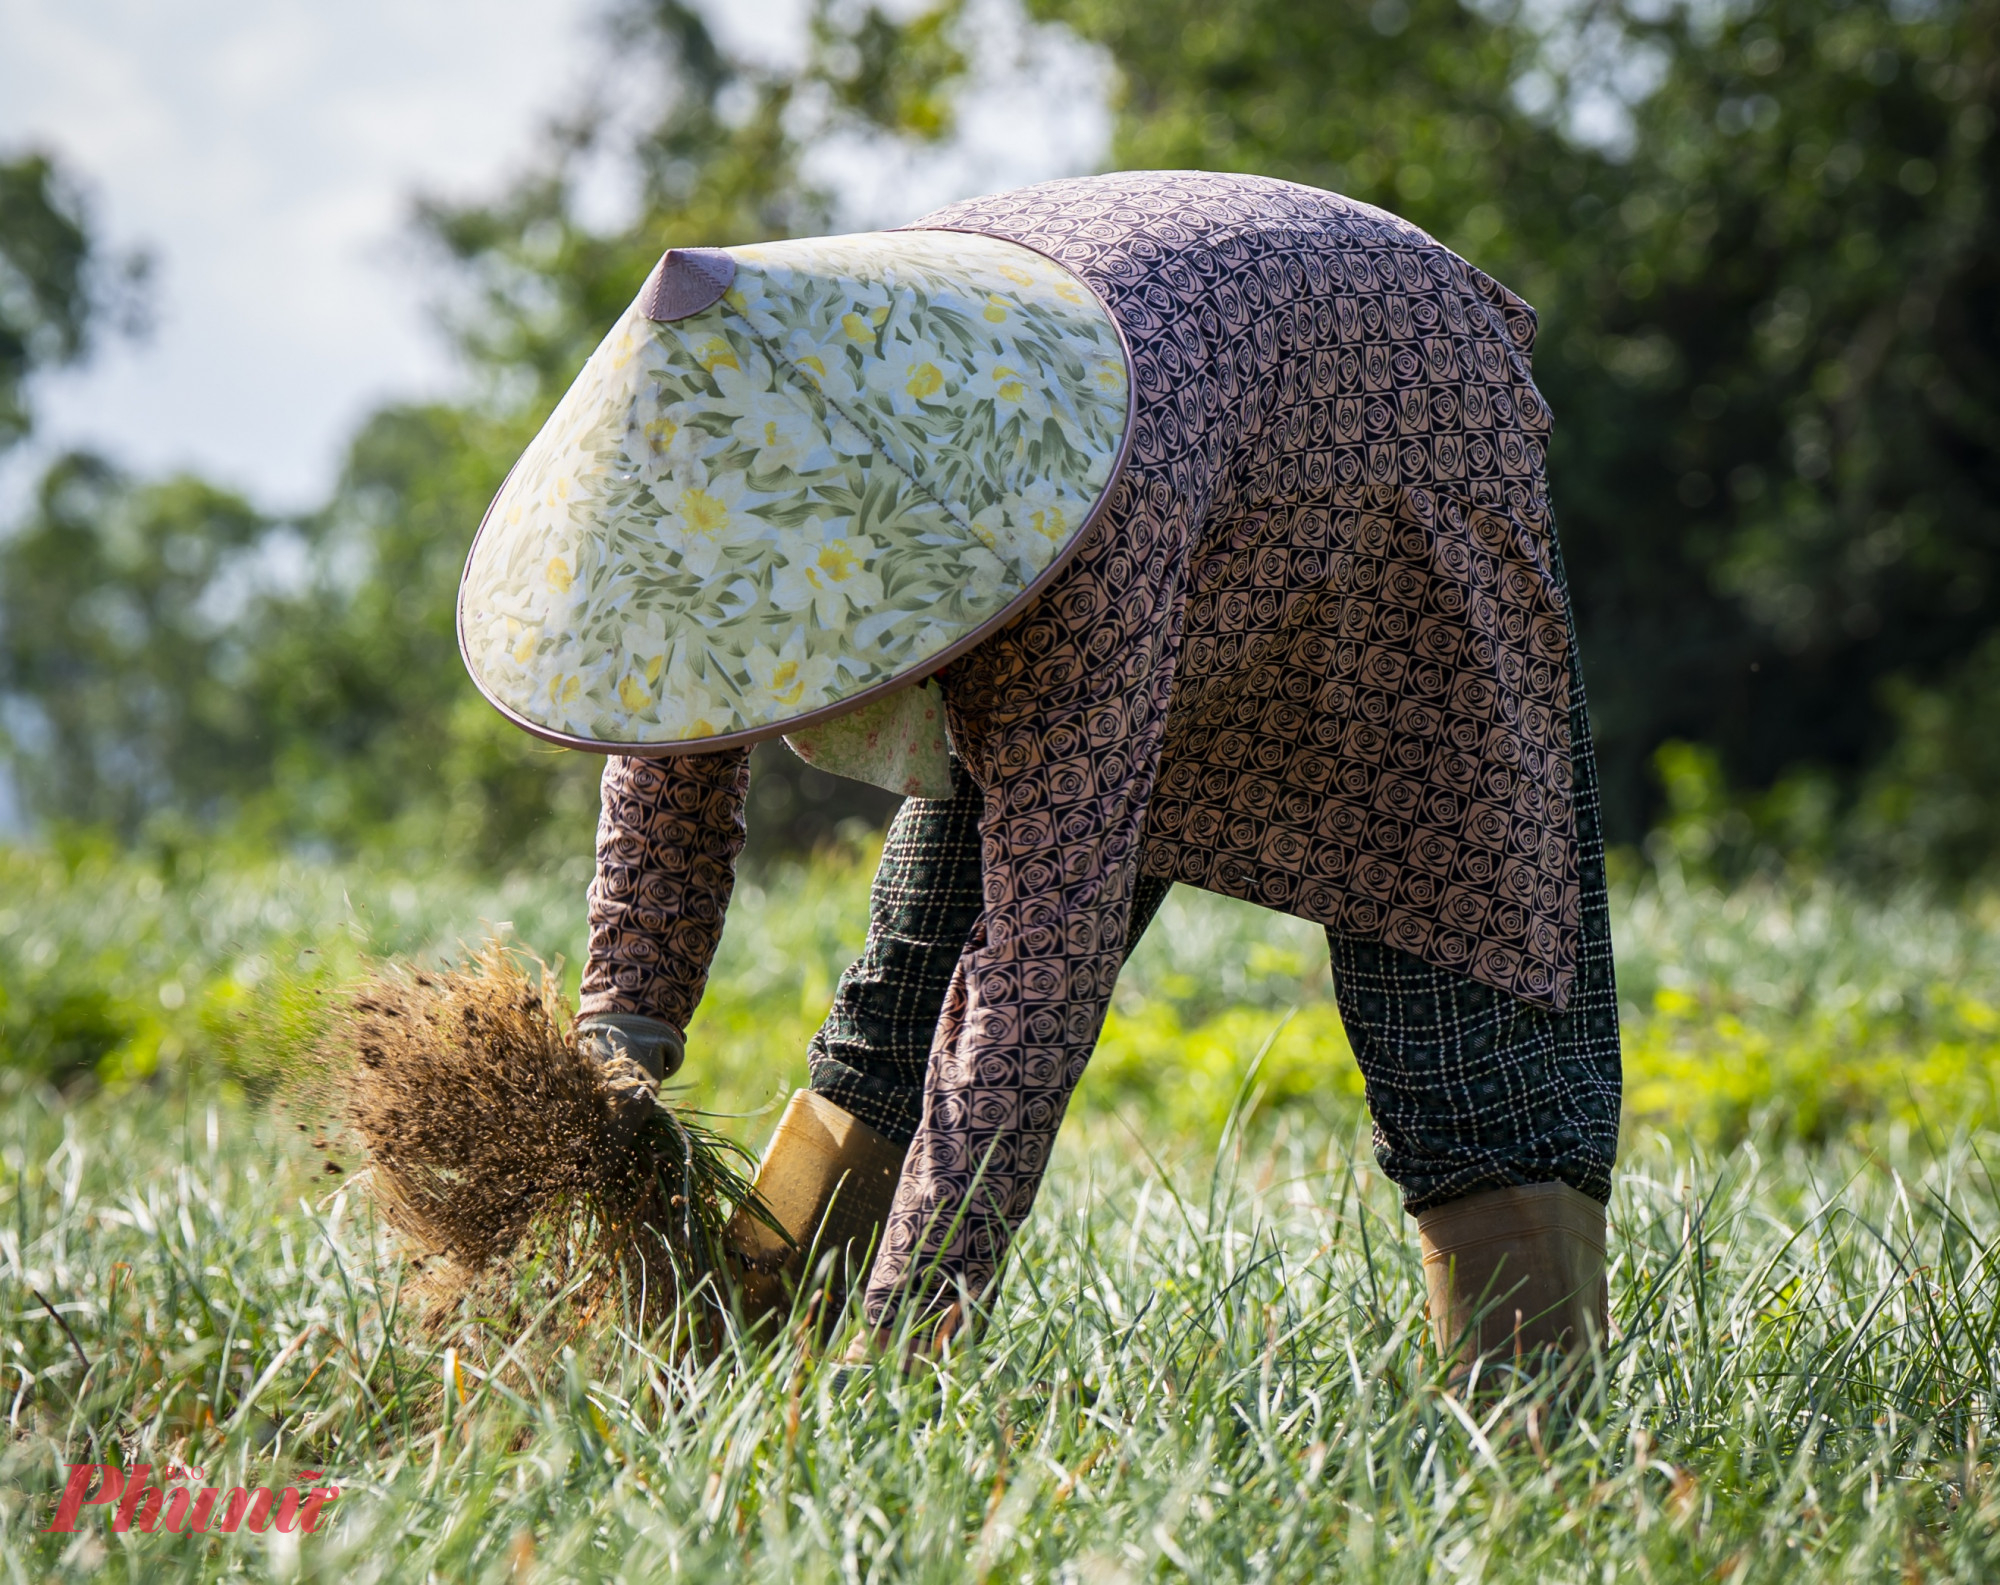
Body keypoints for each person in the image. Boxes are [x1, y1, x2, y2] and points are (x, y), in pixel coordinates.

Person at [508, 170, 1620, 1374]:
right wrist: (621, 1035)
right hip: (1195, 391)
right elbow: (675, 728)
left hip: (1392, 422)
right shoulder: (739, 442)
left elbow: (1041, 956)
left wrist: (912, 1331)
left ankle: (1530, 1431)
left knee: (1454, 981)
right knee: (909, 993)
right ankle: (729, 1372)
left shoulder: (1055, 502)